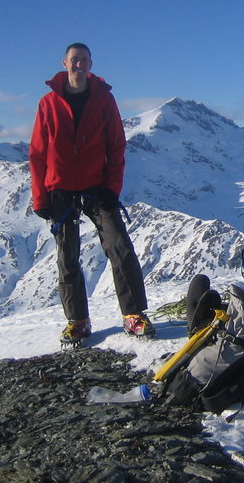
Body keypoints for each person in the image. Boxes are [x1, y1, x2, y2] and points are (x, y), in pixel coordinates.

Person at [29, 42, 153, 345]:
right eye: (74, 60)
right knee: (67, 257)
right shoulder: (48, 103)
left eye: (83, 60)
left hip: (97, 187)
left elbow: (116, 145)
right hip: (60, 188)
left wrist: (111, 188)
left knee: (120, 246)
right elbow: (37, 152)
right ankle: (78, 322)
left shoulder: (104, 100)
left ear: (91, 64)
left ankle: (133, 314)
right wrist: (40, 197)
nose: (79, 65)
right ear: (65, 63)